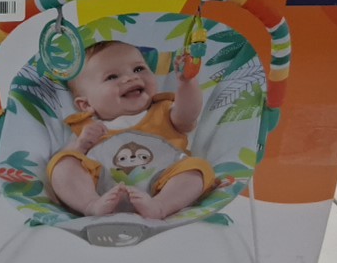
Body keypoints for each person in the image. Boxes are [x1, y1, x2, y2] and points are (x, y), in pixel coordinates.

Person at [46, 41, 215, 219]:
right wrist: (80, 145)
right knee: (62, 164)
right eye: (112, 77)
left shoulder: (163, 109)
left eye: (138, 69)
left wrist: (187, 83)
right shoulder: (87, 127)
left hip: (165, 181)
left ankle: (160, 206)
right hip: (102, 190)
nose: (130, 78)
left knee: (198, 168)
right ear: (86, 104)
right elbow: (64, 161)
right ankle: (90, 205)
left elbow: (188, 115)